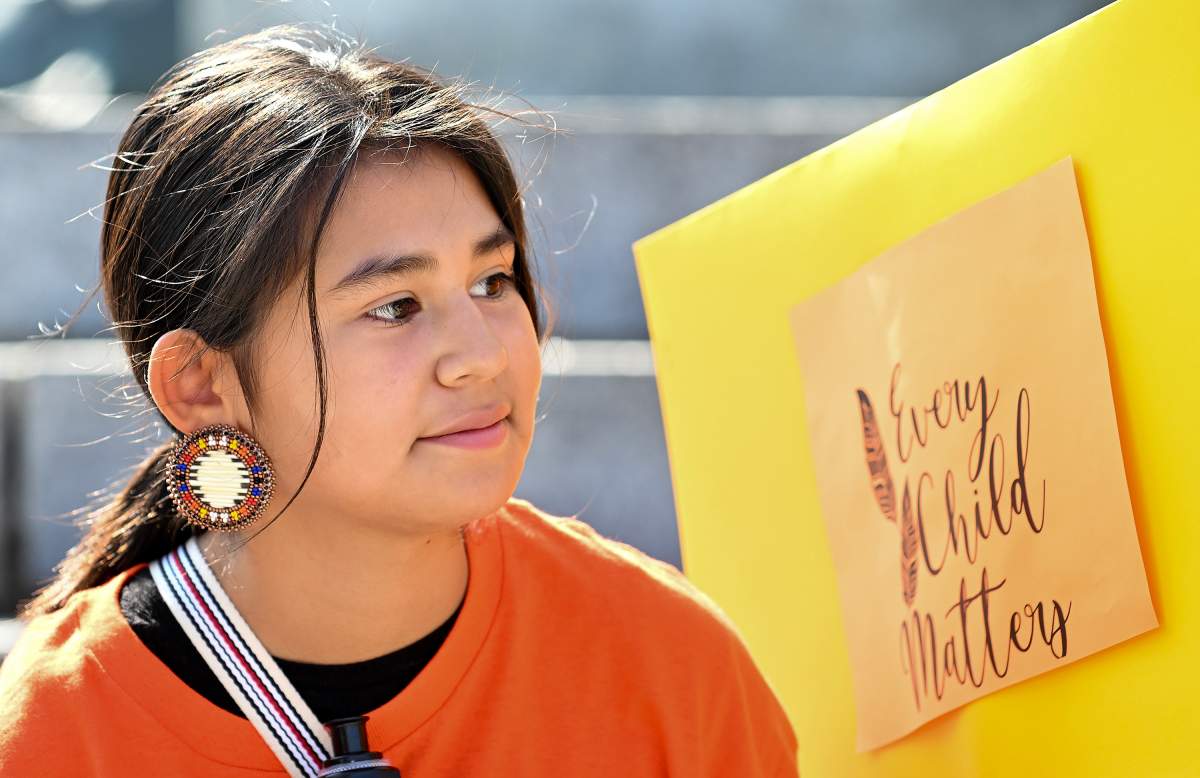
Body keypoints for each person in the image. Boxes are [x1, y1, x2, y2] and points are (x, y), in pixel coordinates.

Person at [0, 22, 799, 777]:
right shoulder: (53, 732)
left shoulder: (670, 666)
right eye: (396, 307)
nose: (484, 356)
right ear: (202, 384)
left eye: (493, 282)